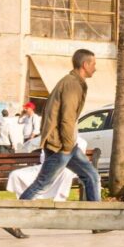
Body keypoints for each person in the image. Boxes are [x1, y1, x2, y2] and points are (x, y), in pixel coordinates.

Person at [14, 48, 101, 227]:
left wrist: (70, 146)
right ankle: (13, 219)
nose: (95, 68)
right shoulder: (72, 84)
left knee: (91, 175)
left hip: (66, 144)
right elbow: (67, 117)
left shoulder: (74, 82)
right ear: (85, 65)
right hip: (61, 145)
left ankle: (98, 222)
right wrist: (68, 146)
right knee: (42, 184)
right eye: (93, 64)